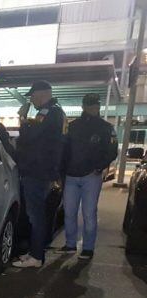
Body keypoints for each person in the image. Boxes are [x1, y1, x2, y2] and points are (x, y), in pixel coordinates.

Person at [12, 80, 66, 269]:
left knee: (37, 216)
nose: (32, 100)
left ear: (42, 94)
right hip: (41, 170)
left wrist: (23, 119)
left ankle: (36, 257)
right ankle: (35, 252)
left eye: (33, 96)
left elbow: (29, 137)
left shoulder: (49, 112)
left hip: (38, 170)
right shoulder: (54, 112)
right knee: (36, 215)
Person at [57, 93, 118, 260]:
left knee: (89, 213)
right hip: (71, 176)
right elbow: (64, 151)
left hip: (91, 175)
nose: (94, 108)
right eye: (91, 105)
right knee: (69, 212)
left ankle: (88, 247)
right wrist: (61, 172)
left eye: (96, 105)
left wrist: (99, 166)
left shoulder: (106, 127)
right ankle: (70, 245)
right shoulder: (73, 126)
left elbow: (112, 151)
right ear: (83, 106)